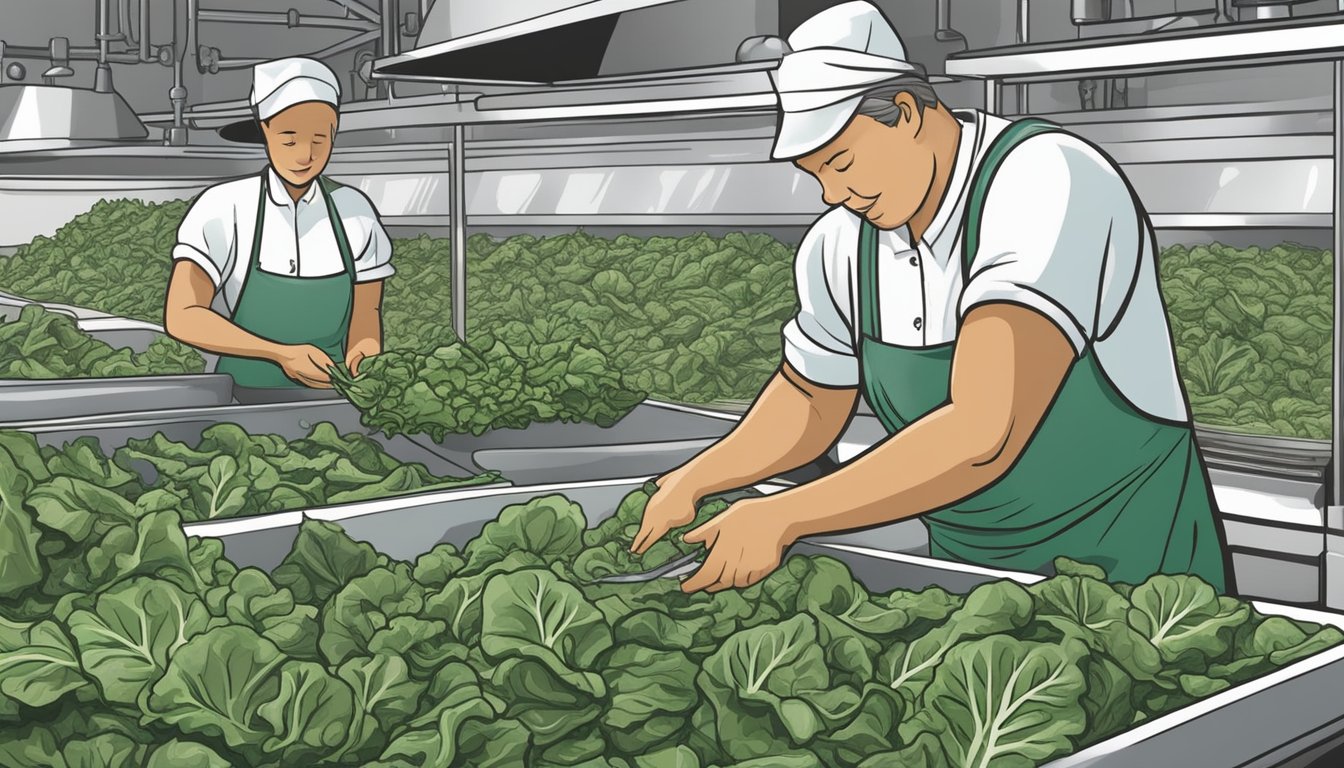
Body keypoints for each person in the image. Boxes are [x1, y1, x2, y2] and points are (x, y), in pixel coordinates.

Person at [633, 1, 1232, 595]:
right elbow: (810, 400)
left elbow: (984, 431)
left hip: (1137, 576)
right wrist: (698, 477)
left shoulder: (1043, 179)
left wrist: (784, 514)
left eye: (841, 162)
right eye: (816, 174)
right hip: (970, 580)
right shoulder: (840, 245)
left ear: (906, 112)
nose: (833, 193)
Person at [165, 57, 393, 404]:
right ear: (265, 131)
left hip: (335, 399)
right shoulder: (225, 206)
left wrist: (363, 354)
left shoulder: (354, 210)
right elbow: (182, 316)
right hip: (241, 400)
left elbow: (367, 313)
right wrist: (280, 354)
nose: (306, 155)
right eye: (290, 139)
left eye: (320, 139)